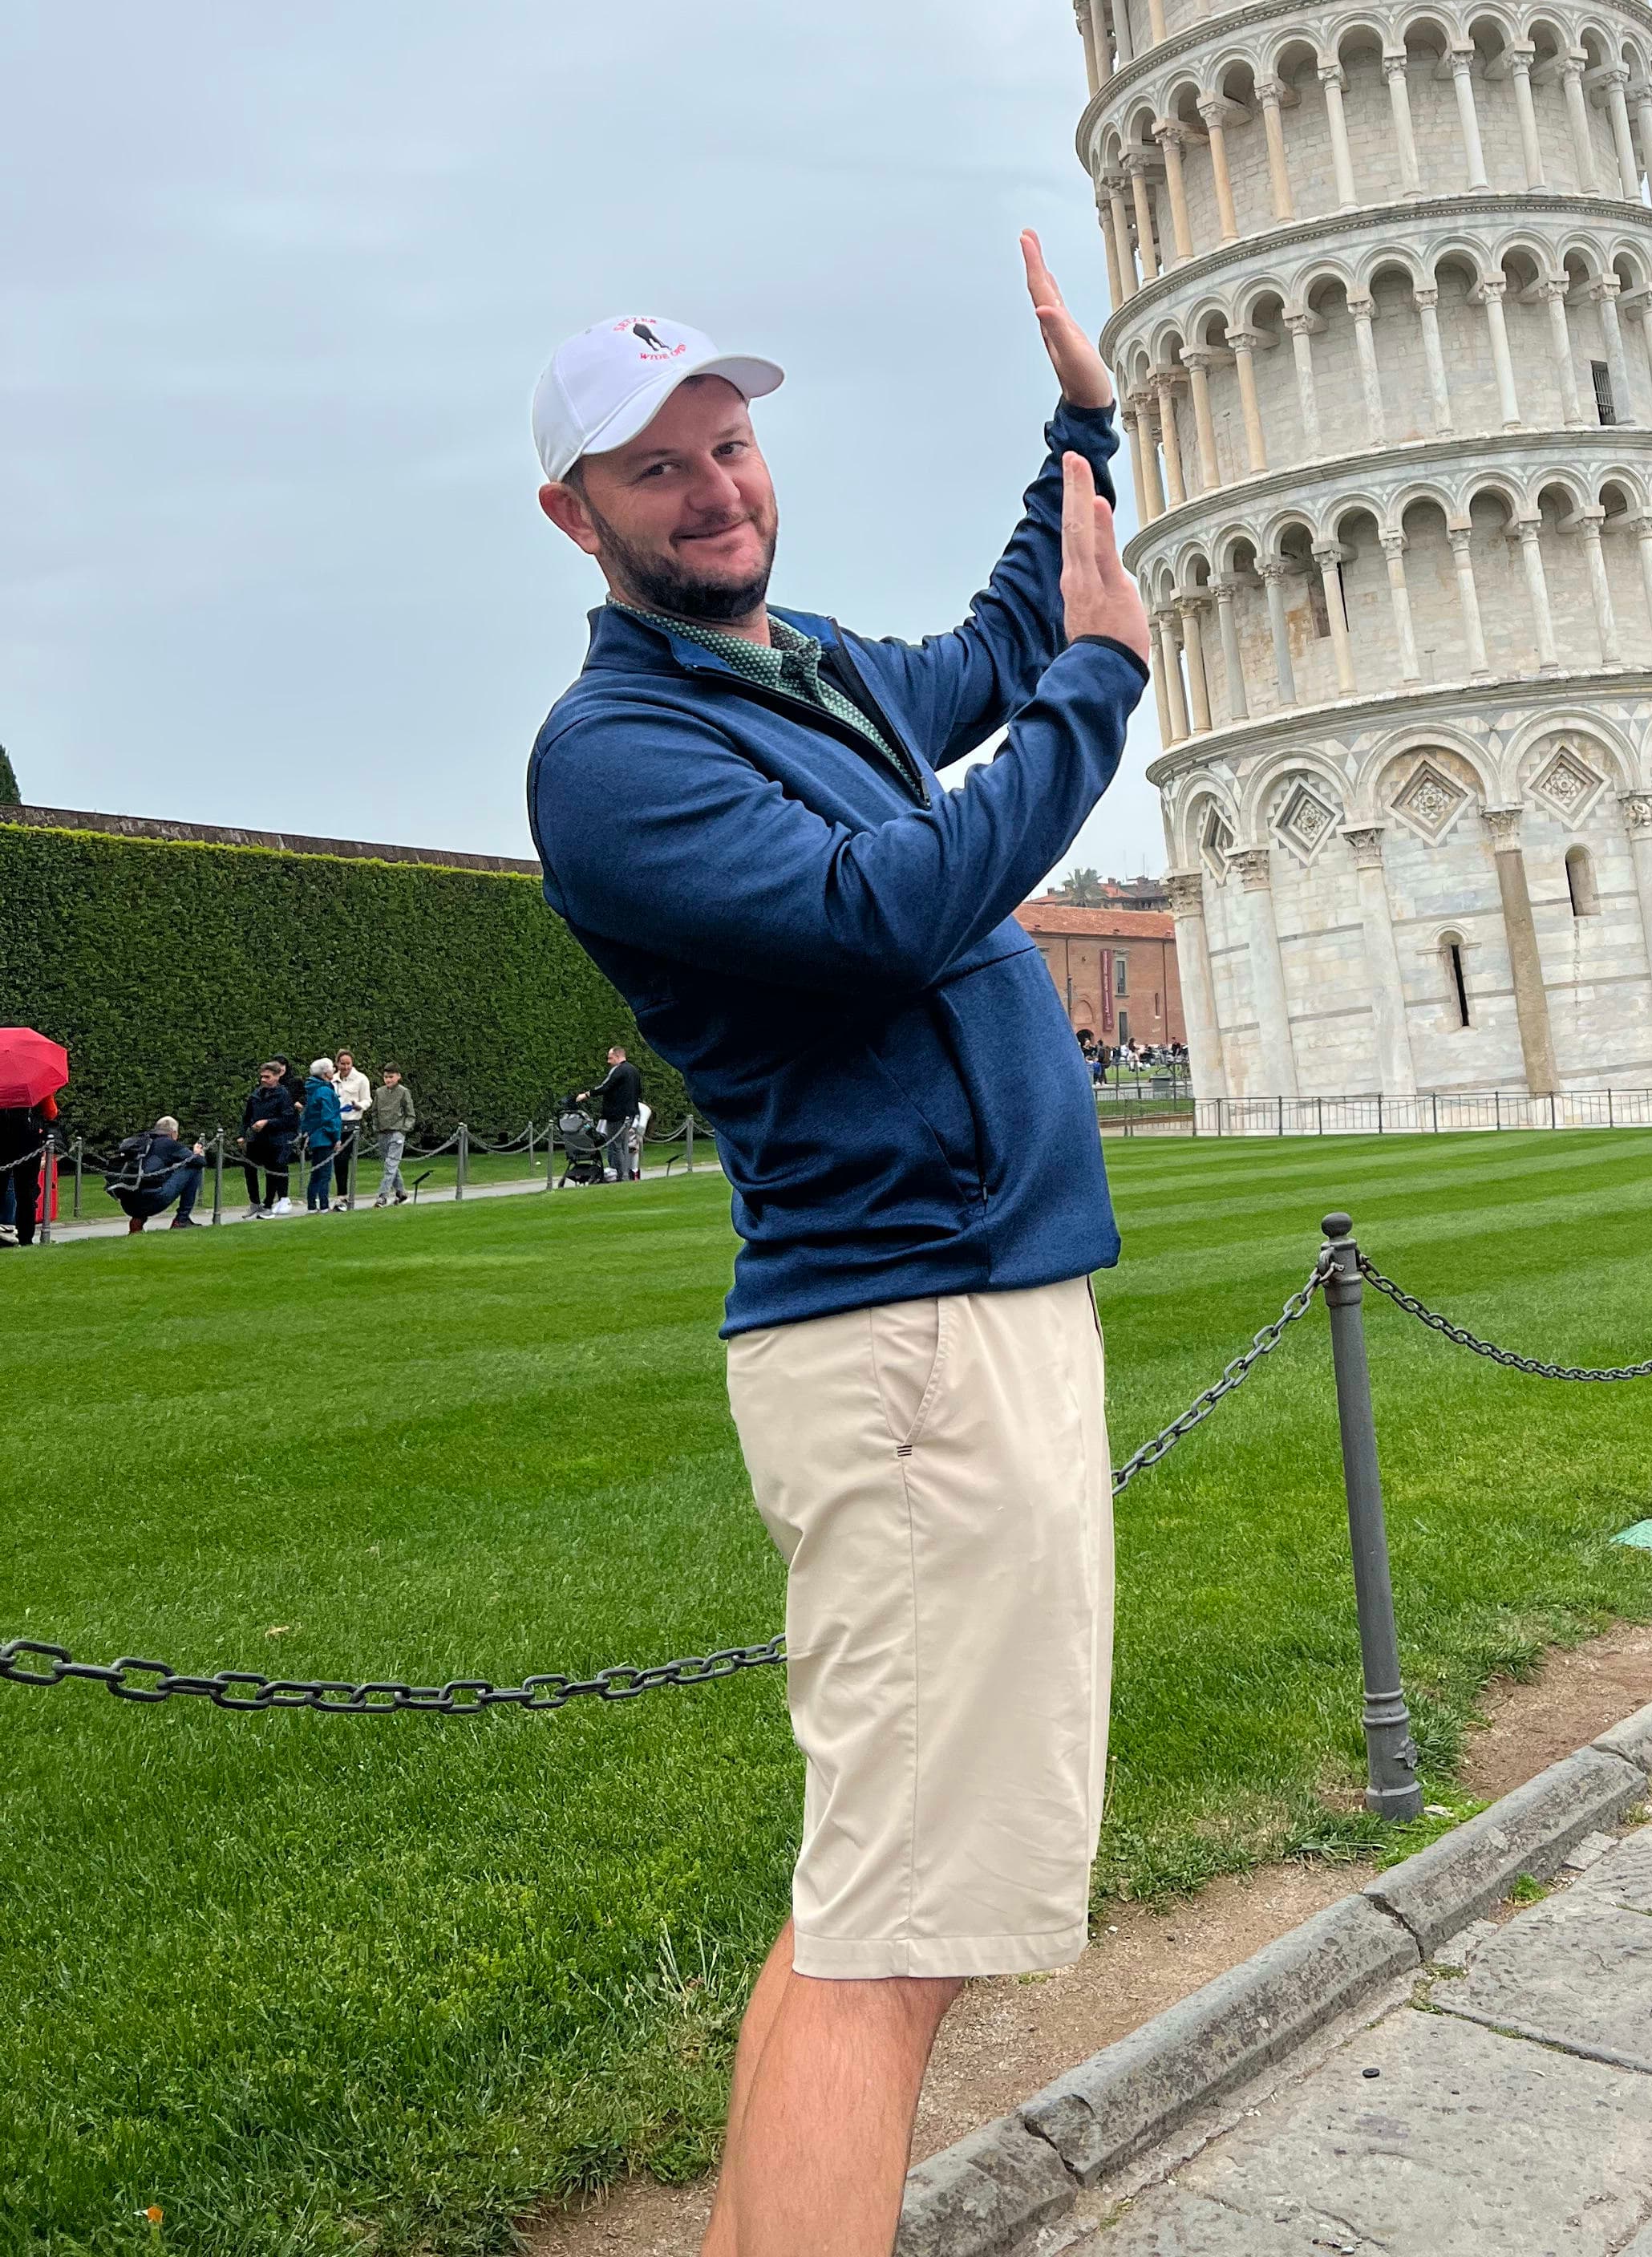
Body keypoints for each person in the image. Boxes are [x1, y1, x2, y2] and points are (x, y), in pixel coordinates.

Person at [524, 242, 1148, 2257]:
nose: (715, 488)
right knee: (893, 1937)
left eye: (731, 445)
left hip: (960, 1320)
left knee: (882, 1905)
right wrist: (1108, 688)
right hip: (905, 1343)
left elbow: (996, 636)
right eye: (658, 473)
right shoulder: (615, 760)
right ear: (576, 517)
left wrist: (1080, 432)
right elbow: (894, 905)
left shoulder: (810, 672)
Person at [108, 1119, 207, 1231]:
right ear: (173, 1133)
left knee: (147, 1180)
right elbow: (200, 1162)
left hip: (128, 1204)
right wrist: (197, 1153)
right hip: (153, 1201)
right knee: (194, 1168)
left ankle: (137, 1222)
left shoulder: (142, 1141)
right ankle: (182, 1219)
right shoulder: (168, 1143)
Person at [240, 1061, 301, 1216]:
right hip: (256, 1139)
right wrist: (241, 1134)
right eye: (262, 1077)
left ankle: (268, 1204)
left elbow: (288, 1119)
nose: (263, 1080)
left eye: (267, 1077)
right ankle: (254, 1201)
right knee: (249, 1168)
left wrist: (267, 1122)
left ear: (276, 1077)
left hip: (275, 1139)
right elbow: (247, 1117)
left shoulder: (283, 1095)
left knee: (272, 1172)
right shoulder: (256, 1094)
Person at [0, 1091, 59, 1248]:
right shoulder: (31, 1084)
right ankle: (26, 1238)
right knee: (26, 1192)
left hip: (4, 1137)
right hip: (27, 1137)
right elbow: (51, 1112)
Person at [329, 1048, 374, 1204]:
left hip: (351, 1123)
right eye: (342, 1064)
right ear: (337, 1064)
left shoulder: (361, 1079)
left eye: (348, 1064)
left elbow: (367, 1100)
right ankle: (338, 1194)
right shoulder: (332, 1080)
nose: (346, 1067)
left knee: (342, 1158)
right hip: (334, 1123)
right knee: (334, 1159)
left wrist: (358, 1106)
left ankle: (343, 1195)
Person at [301, 1059, 346, 1212]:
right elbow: (329, 1117)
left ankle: (312, 1205)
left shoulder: (313, 1090)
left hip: (315, 1136)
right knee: (325, 1174)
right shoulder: (325, 1091)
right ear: (326, 1073)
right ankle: (324, 1205)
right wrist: (336, 1137)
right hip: (324, 1137)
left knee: (316, 1173)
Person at [369, 1065, 417, 1203]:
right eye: (386, 1077)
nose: (388, 1080)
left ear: (398, 1077)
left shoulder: (403, 1092)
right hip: (383, 1133)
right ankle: (401, 1192)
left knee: (391, 1164)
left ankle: (382, 1196)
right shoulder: (379, 1092)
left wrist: (403, 1130)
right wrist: (376, 1127)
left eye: (391, 1077)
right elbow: (375, 1112)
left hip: (397, 1132)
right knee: (389, 1164)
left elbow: (411, 1114)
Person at [597, 1044, 645, 1181]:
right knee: (624, 1145)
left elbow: (606, 1086)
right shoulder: (633, 1071)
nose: (608, 1061)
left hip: (616, 1114)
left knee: (616, 1145)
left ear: (618, 1057)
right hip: (630, 1114)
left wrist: (588, 1094)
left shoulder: (618, 1071)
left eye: (610, 1058)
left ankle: (620, 1174)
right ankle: (626, 1173)